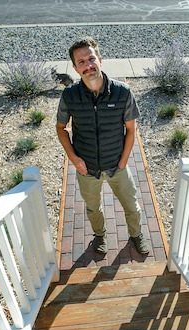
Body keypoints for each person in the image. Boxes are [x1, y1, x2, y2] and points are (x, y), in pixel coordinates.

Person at [56, 36, 150, 255]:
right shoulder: (69, 96)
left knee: (132, 206)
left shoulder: (123, 92)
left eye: (91, 59)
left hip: (117, 164)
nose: (88, 66)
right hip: (86, 168)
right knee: (92, 208)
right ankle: (99, 236)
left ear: (100, 59)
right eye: (81, 62)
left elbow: (131, 129)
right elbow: (61, 128)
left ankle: (136, 235)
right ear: (75, 68)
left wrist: (124, 160)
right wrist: (74, 159)